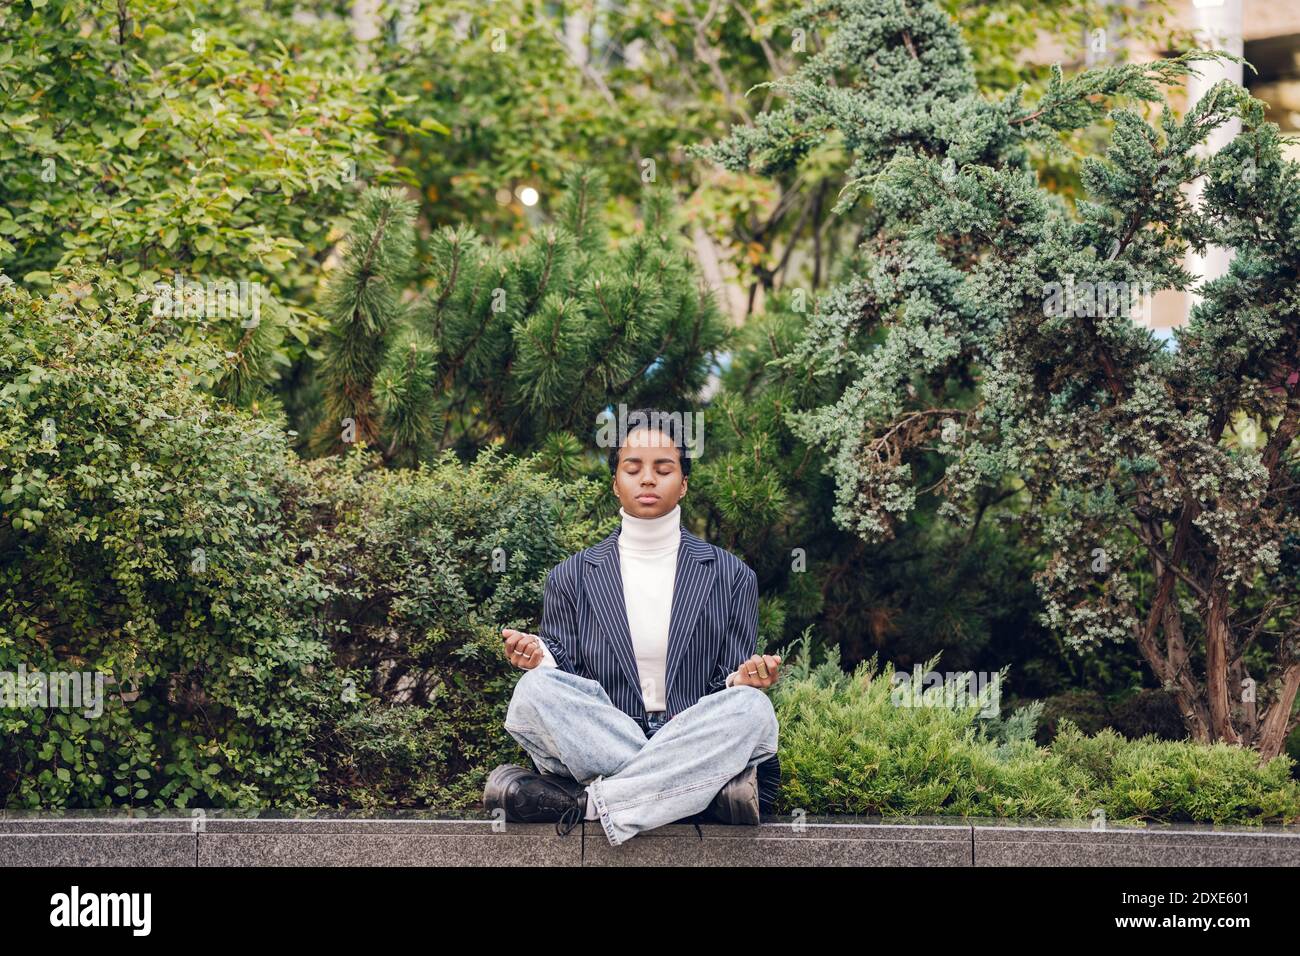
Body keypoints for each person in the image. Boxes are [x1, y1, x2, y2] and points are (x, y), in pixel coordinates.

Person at [483, 407, 782, 847]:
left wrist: (742, 679)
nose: (647, 479)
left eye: (663, 469)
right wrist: (540, 657)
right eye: (633, 468)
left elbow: (728, 681)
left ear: (682, 484)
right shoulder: (572, 575)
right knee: (533, 692)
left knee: (752, 710)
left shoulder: (730, 574)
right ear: (615, 482)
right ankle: (700, 796)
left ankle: (585, 804)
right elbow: (566, 675)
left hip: (687, 730)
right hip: (610, 734)